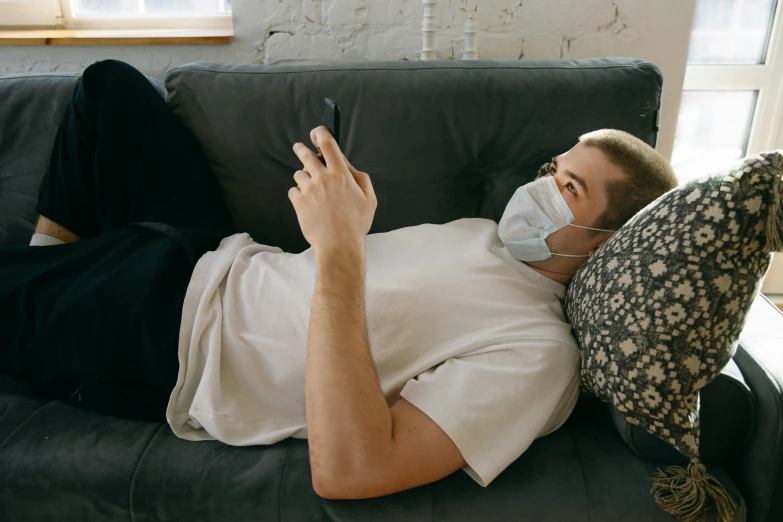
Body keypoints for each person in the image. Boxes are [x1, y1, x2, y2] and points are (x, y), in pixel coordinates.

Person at [0, 59, 678, 500]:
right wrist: (343, 224)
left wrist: (341, 247)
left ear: (608, 244)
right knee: (108, 89)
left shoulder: (539, 354)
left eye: (566, 188)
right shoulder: (485, 239)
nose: (537, 191)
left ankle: (52, 283)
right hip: (212, 254)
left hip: (177, 339)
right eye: (547, 171)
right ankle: (54, 268)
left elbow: (353, 471)